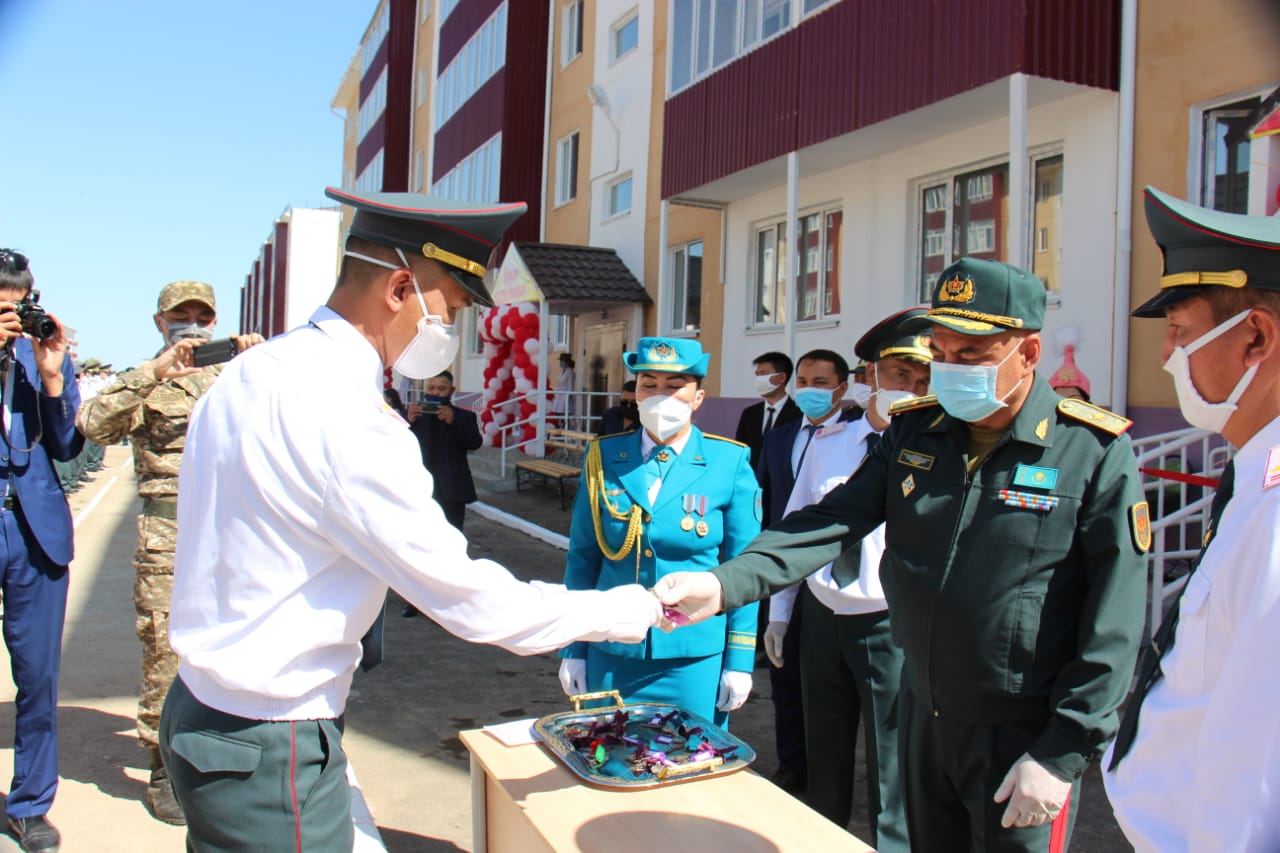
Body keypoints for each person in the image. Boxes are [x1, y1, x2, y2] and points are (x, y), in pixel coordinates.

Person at [158, 188, 662, 853]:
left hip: (207, 710)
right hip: (267, 737)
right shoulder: (349, 414)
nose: (451, 334)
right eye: (450, 310)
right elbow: (473, 603)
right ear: (400, 288)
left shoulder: (254, 370)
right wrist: (628, 610)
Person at [658, 257, 1150, 852]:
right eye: (941, 351)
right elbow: (831, 520)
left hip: (1021, 730)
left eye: (971, 355)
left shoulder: (1090, 452)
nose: (950, 369)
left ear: (1028, 352)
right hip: (924, 713)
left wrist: (1063, 751)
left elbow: (1115, 620)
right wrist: (724, 584)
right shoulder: (917, 433)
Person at [1104, 187, 1280, 850]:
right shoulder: (1254, 475)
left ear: (1255, 337)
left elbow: (1255, 782)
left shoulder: (1276, 512)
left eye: (1179, 332)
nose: (1165, 356)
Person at [75, 280, 262, 826]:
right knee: (164, 655)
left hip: (232, 535)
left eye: (203, 314)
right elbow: (92, 424)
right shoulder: (147, 379)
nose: (194, 323)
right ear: (160, 321)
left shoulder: (235, 375)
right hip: (168, 538)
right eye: (181, 314)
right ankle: (162, 767)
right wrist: (155, 373)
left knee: (237, 644)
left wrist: (258, 363)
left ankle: (226, 756)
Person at [762, 311, 931, 848]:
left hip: (890, 624)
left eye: (924, 381)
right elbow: (798, 530)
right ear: (871, 377)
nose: (911, 390)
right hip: (821, 616)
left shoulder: (937, 453)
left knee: (892, 768)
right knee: (824, 756)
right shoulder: (830, 442)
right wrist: (781, 614)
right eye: (900, 377)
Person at [558, 337, 760, 726]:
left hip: (693, 658)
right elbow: (583, 557)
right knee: (609, 763)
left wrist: (738, 660)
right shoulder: (603, 457)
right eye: (648, 384)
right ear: (635, 393)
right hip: (611, 648)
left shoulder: (728, 460)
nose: (660, 395)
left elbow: (744, 570)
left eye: (674, 386)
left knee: (691, 768)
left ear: (697, 397)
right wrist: (574, 646)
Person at [0, 249, 83, 853]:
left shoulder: (41, 349)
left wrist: (53, 378)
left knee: (38, 680)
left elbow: (65, 444)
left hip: (33, 530)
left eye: (16, 305)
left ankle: (29, 803)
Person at [754, 347, 853, 796]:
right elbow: (767, 501)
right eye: (804, 382)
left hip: (836, 578)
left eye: (821, 383)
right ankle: (793, 764)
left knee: (832, 689)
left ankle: (830, 773)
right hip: (782, 575)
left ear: (842, 388)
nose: (810, 391)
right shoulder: (781, 436)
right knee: (784, 675)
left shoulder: (858, 437)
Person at [401, 369, 482, 618]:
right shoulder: (411, 416)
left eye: (441, 389)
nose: (436, 393)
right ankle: (415, 600)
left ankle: (448, 601)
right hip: (419, 490)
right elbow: (392, 442)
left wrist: (453, 421)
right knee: (417, 545)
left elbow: (474, 443)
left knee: (452, 546)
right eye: (432, 388)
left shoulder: (464, 417)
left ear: (451, 391)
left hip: (452, 490)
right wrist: (407, 422)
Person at [734, 351, 801, 470]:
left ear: (782, 377)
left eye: (764, 374)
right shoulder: (749, 414)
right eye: (757, 374)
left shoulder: (799, 414)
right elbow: (739, 451)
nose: (759, 379)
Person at [551, 351, 576, 423]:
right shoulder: (561, 371)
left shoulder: (570, 372)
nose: (561, 363)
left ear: (567, 362)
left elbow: (570, 385)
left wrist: (568, 396)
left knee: (564, 414)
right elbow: (559, 383)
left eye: (562, 361)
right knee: (557, 414)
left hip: (565, 396)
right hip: (559, 395)